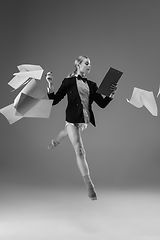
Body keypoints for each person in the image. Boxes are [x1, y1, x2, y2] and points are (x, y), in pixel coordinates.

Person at [46, 56, 117, 200]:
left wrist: (111, 94)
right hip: (72, 118)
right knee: (79, 150)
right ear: (78, 64)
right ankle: (89, 185)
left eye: (90, 64)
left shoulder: (92, 85)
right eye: (86, 63)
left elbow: (102, 104)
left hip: (83, 119)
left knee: (66, 133)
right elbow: (54, 101)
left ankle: (56, 141)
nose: (89, 65)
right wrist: (50, 85)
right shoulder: (68, 82)